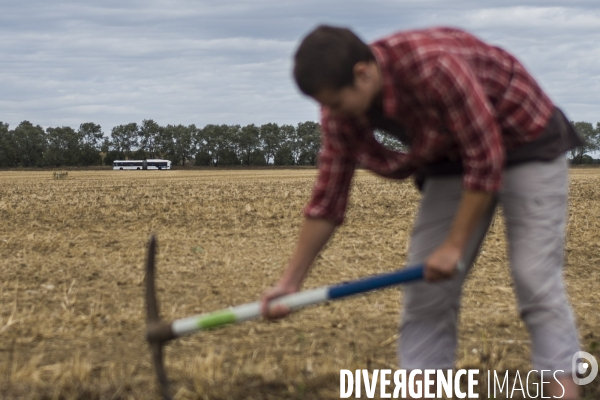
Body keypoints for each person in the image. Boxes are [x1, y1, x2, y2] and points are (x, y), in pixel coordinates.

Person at [260, 25, 583, 399]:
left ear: (362, 73)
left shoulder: (434, 68)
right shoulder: (340, 114)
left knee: (534, 280)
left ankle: (565, 386)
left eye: (334, 101)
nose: (329, 112)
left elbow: (485, 158)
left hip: (527, 142)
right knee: (425, 292)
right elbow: (328, 200)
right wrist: (290, 282)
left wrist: (454, 245)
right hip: (450, 157)